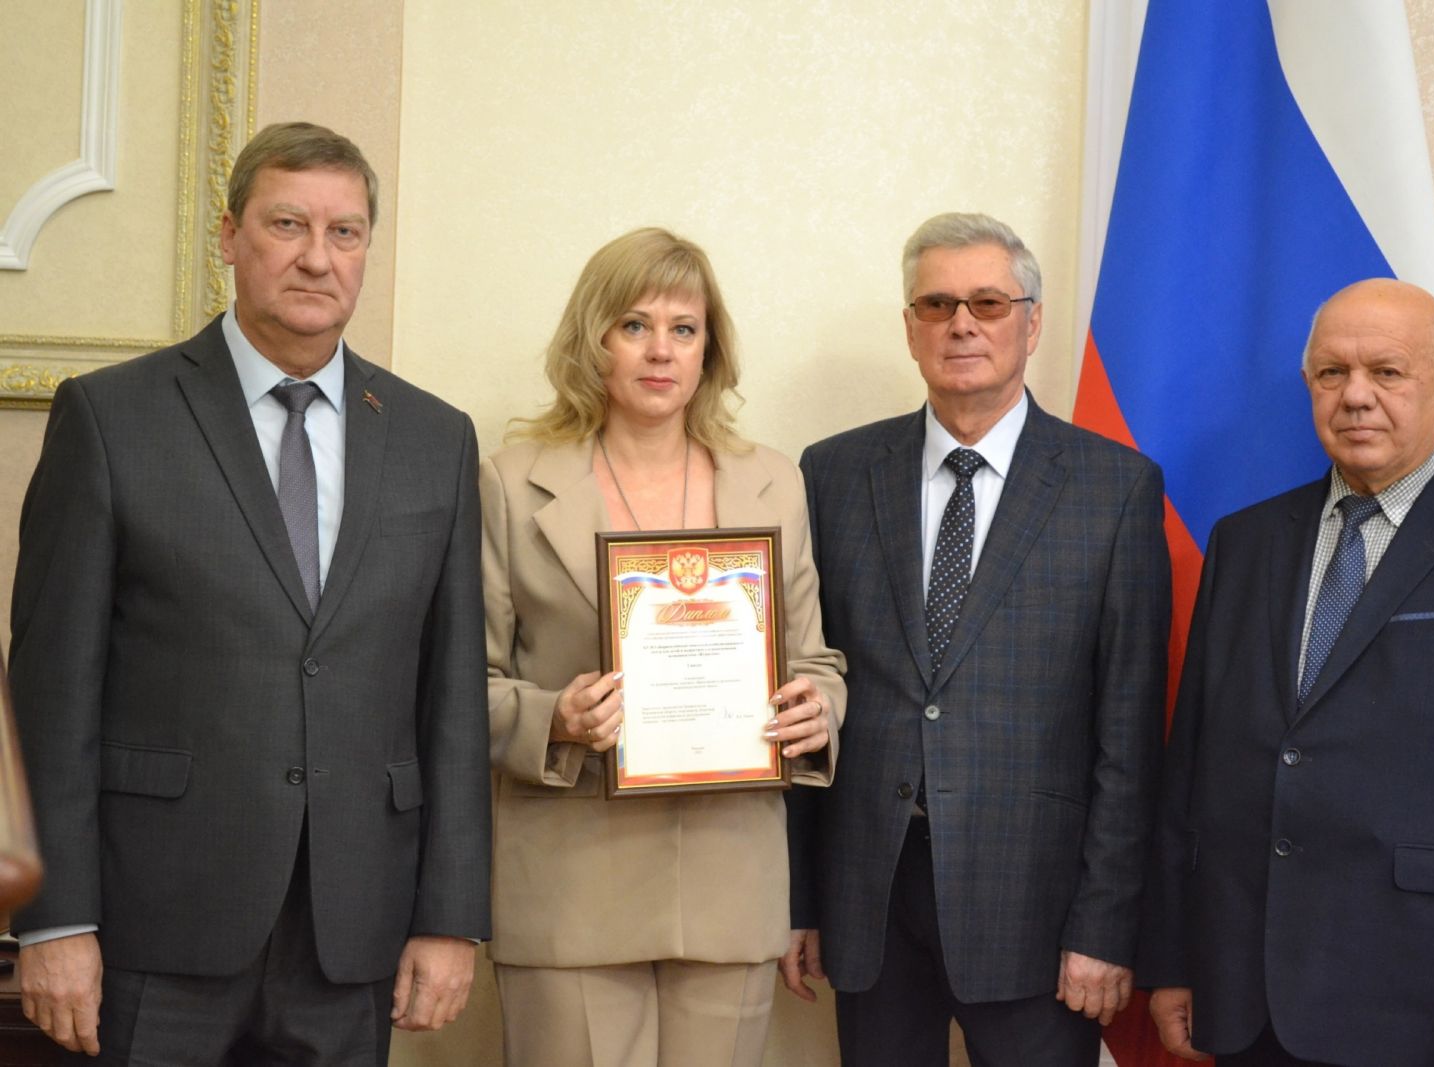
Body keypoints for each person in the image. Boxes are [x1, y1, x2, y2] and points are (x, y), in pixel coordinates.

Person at [9, 121, 490, 1064]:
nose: (317, 258)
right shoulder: (111, 417)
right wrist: (52, 916)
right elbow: (49, 692)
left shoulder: (436, 438)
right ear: (229, 235)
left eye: (345, 232)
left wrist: (450, 915)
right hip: (154, 922)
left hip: (353, 929)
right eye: (287, 224)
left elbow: (453, 702)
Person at [1140, 278, 1434, 1066]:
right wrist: (1175, 957)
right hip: (1244, 993)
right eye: (1332, 372)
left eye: (1386, 371)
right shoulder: (1245, 542)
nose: (1355, 395)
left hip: (1427, 1002)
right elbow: (1194, 768)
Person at [790, 212, 1171, 1066]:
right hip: (870, 901)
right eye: (938, 304)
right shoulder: (832, 473)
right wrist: (799, 899)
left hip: (1038, 913)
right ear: (911, 328)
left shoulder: (1114, 488)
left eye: (988, 303)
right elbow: (808, 684)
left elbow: (1129, 736)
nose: (961, 323)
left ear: (1031, 324)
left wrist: (1105, 926)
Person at [480, 226, 845, 1067]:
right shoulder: (511, 481)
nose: (660, 350)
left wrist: (817, 707)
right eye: (635, 325)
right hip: (571, 882)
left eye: (684, 328)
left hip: (730, 877)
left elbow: (816, 660)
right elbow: (464, 684)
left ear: (709, 349)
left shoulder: (772, 480)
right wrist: (555, 717)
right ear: (593, 339)